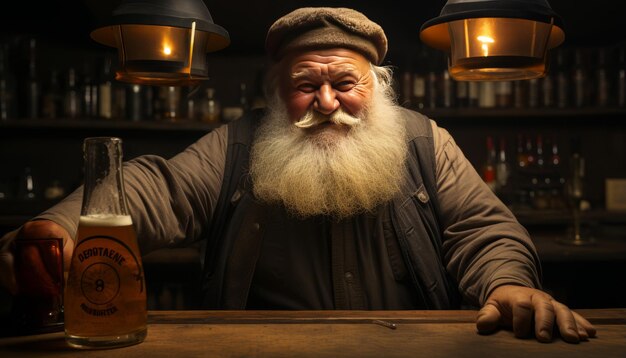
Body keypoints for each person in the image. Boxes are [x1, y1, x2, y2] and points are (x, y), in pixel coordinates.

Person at [0, 7, 595, 343]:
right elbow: (154, 189)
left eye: (345, 83)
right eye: (306, 85)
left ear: (377, 89)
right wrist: (57, 229)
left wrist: (507, 284)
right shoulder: (236, 143)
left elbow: (481, 229)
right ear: (278, 93)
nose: (326, 102)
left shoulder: (424, 140)